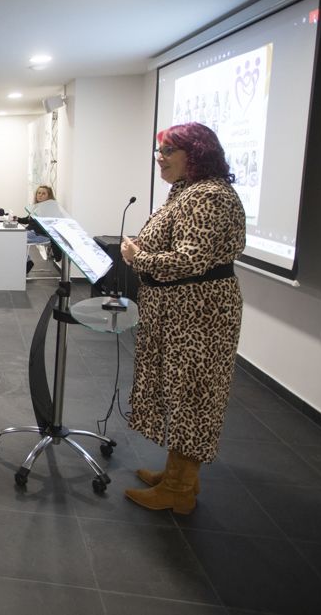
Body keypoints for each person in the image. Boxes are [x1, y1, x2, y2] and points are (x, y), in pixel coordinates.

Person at [120, 122, 245, 515]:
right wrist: (143, 246)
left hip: (198, 314)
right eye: (159, 151)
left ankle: (179, 488)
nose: (161, 158)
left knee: (193, 395)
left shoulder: (208, 196)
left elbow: (191, 259)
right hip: (179, 310)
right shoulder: (184, 192)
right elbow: (177, 244)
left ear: (197, 154)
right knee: (181, 390)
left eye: (169, 151)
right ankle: (178, 475)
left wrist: (137, 258)